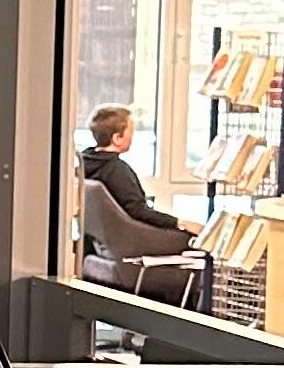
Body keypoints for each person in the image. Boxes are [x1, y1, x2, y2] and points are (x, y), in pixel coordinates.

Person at [76, 106, 207, 301]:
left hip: (103, 248)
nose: (133, 136)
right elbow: (138, 211)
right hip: (132, 244)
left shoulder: (84, 165)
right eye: (131, 131)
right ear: (117, 138)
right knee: (196, 242)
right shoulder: (117, 170)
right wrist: (180, 223)